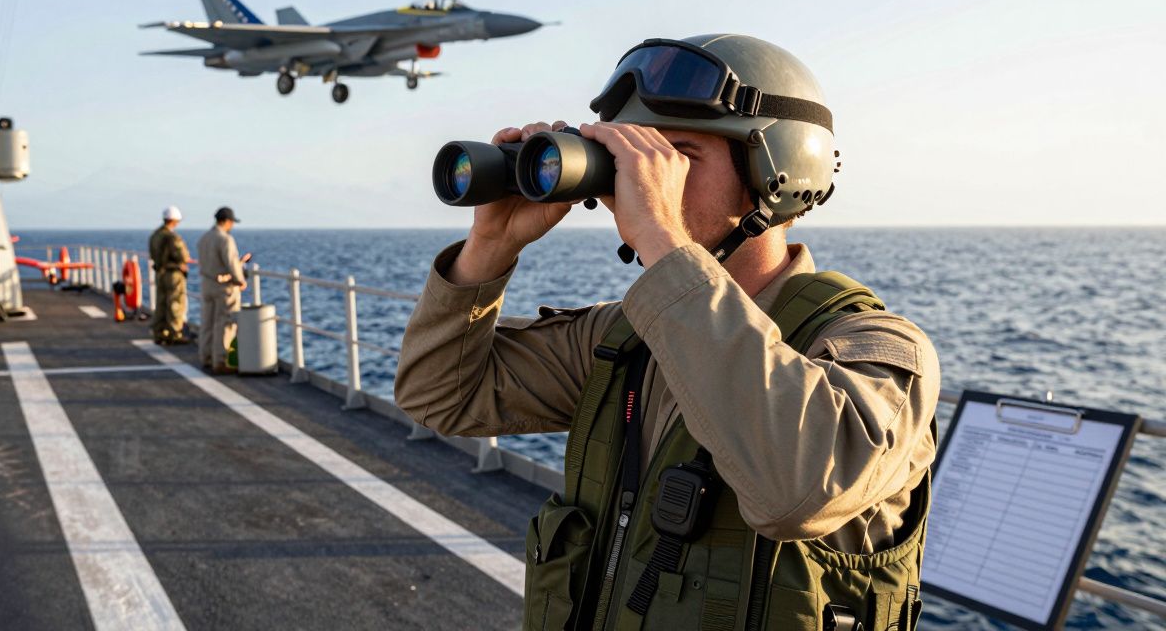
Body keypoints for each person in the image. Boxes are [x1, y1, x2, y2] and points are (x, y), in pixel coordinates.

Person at [395, 35, 940, 630]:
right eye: (634, 158)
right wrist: (491, 247)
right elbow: (438, 395)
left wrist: (661, 234)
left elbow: (796, 488)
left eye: (678, 156)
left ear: (775, 175)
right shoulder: (625, 338)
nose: (643, 182)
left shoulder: (876, 354)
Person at [198, 206, 250, 373]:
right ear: (227, 221)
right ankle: (220, 360)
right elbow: (231, 263)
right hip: (223, 288)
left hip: (207, 284)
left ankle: (206, 356)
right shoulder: (225, 240)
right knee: (224, 322)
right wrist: (240, 281)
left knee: (207, 321)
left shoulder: (204, 238)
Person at [148, 205, 191, 345]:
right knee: (175, 303)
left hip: (160, 273)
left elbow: (153, 254)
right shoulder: (172, 237)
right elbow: (183, 256)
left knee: (161, 303)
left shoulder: (154, 235)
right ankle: (174, 333)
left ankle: (159, 332)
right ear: (174, 220)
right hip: (173, 274)